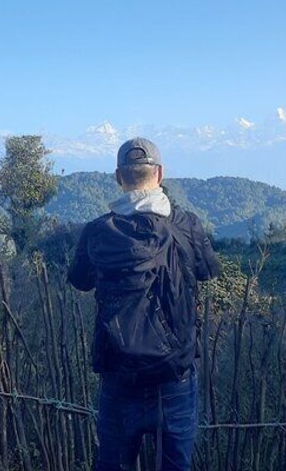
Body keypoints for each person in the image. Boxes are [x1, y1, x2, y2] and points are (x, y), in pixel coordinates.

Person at [68, 137, 221, 471]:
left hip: (119, 376)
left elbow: (80, 280)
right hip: (173, 376)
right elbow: (209, 271)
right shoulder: (185, 226)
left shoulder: (97, 231)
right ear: (160, 173)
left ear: (118, 177)